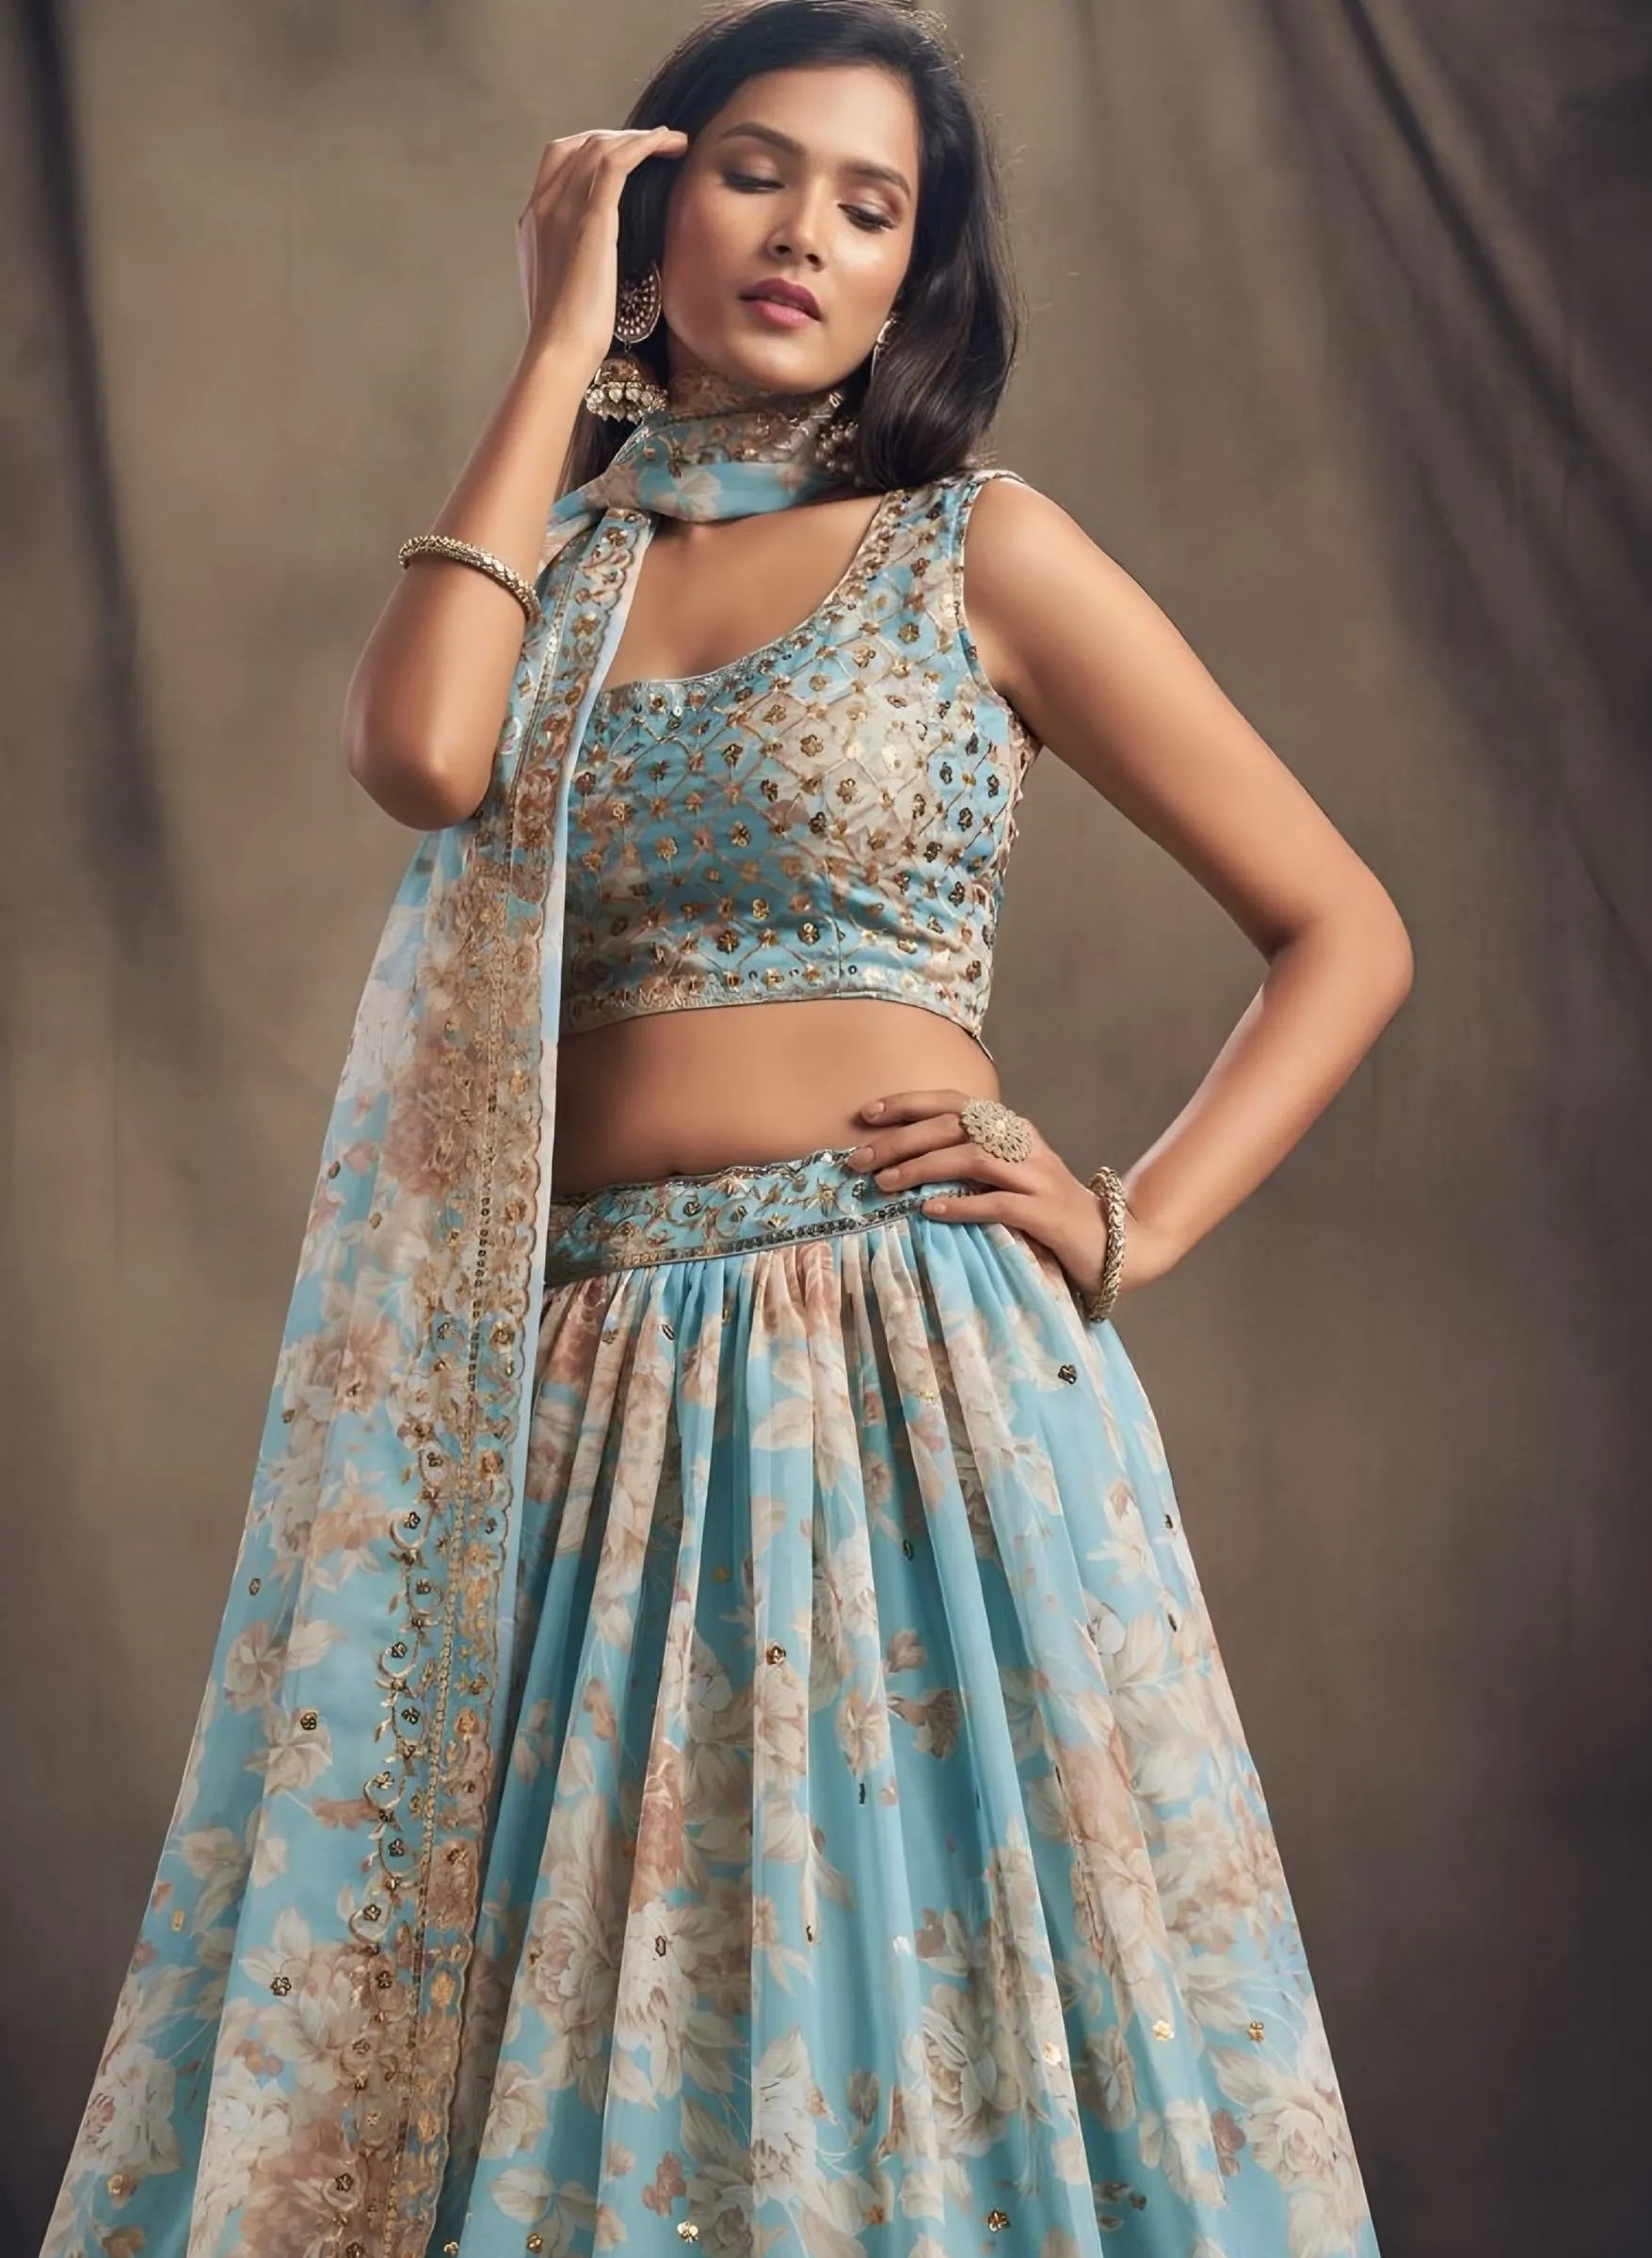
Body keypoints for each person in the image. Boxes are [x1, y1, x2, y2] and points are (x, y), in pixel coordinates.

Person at [40, 5, 1410, 2255]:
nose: (808, 233)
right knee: (595, 2059)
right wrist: (555, 348)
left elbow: (1341, 927)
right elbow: (413, 751)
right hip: (576, 1403)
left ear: (914, 283)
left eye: (875, 207)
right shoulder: (550, 573)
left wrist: (1125, 1218)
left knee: (913, 2019)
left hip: (916, 1380)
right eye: (756, 171)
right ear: (652, 200)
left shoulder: (981, 549)